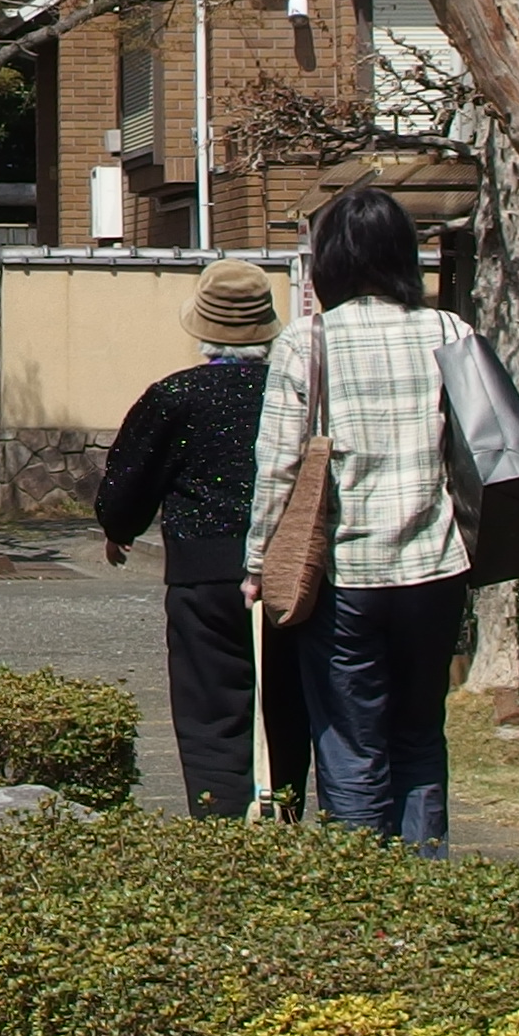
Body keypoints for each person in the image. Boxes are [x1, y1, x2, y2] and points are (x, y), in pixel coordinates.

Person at [245, 186, 475, 854]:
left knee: (349, 740)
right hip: (435, 568)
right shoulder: (449, 332)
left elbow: (278, 468)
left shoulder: (307, 342)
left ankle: (363, 897)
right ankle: (424, 886)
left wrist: (258, 563)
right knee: (419, 732)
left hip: (344, 576)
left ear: (330, 262)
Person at [97, 256, 314, 818]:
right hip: (290, 574)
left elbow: (127, 483)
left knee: (210, 711)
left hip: (202, 574)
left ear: (200, 328)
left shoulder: (175, 396)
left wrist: (120, 530)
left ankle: (219, 834)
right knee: (286, 705)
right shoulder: (296, 391)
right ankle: (282, 817)